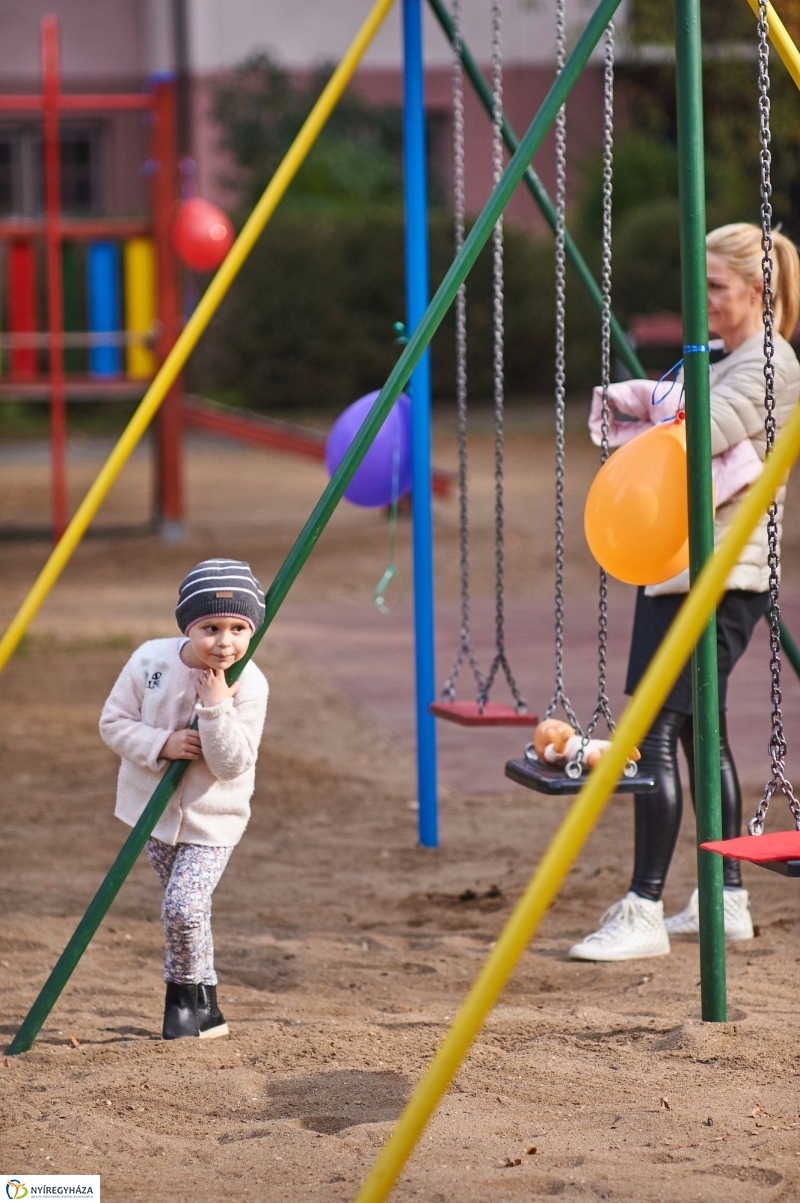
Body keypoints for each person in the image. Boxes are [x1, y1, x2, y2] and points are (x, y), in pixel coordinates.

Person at [570, 222, 800, 962]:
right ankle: (725, 896)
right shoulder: (733, 358)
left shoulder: (770, 363)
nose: (701, 301)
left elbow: (695, 437)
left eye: (715, 288)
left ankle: (641, 906)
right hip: (685, 569)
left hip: (716, 575)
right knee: (700, 731)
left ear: (758, 292)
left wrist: (657, 409)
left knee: (652, 734)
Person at [100, 558, 269, 1036]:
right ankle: (206, 1004)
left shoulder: (249, 683)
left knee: (183, 909)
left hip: (213, 819)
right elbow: (113, 723)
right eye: (211, 627)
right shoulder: (150, 661)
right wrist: (161, 745)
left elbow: (234, 763)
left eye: (239, 628)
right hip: (150, 813)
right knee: (187, 913)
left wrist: (216, 709)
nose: (225, 641)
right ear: (188, 626)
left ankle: (180, 998)